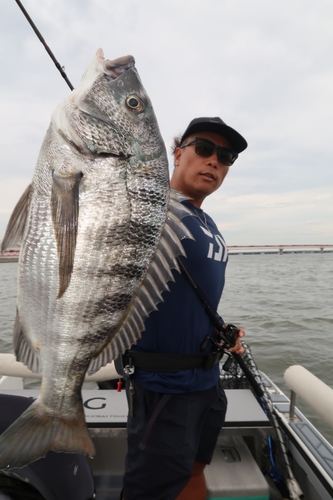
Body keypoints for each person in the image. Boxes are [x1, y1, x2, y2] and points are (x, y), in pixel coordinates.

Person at [121, 117, 248, 500]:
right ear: (177, 154)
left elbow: (193, 297)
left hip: (207, 383)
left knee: (194, 470)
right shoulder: (148, 208)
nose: (214, 161)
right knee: (155, 490)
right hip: (164, 388)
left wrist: (222, 331)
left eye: (225, 156)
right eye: (204, 149)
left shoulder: (207, 221)